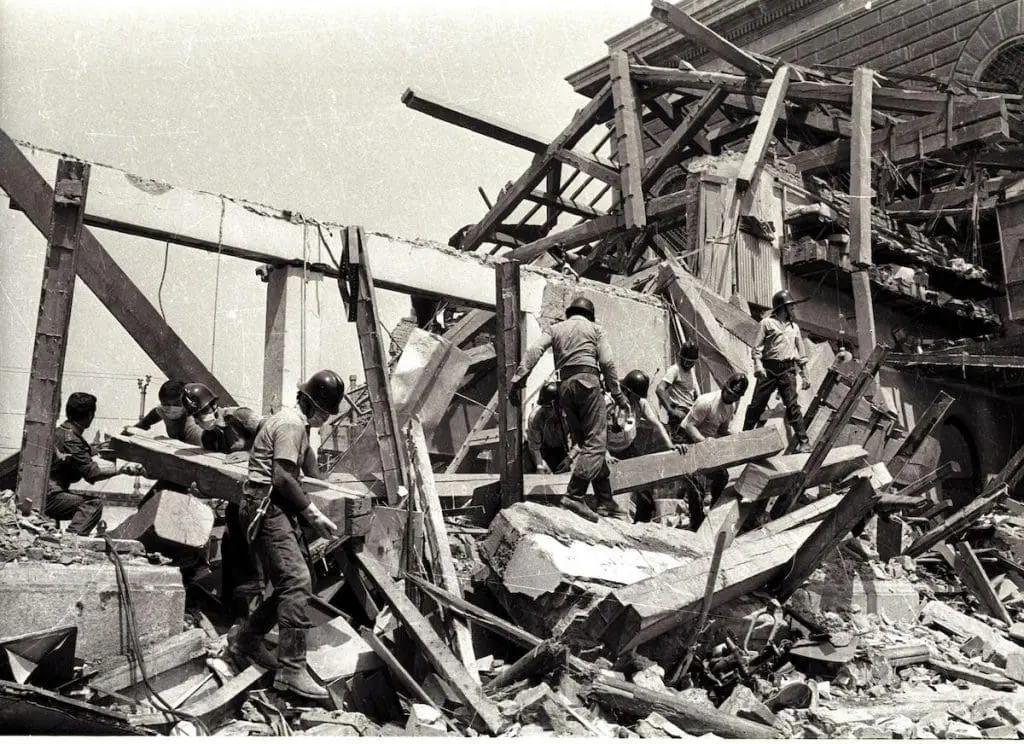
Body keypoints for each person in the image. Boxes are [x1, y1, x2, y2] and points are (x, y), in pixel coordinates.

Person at [232, 370, 343, 701]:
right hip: (268, 505)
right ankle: (292, 670)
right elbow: (282, 477)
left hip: (272, 505)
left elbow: (309, 472)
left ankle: (247, 640)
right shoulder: (291, 425)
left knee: (288, 584)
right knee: (297, 582)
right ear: (309, 404)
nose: (325, 418)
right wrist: (313, 513)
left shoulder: (297, 425)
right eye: (323, 412)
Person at [510, 296, 630, 522]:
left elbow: (535, 349)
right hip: (588, 383)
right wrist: (617, 394)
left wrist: (519, 378)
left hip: (565, 388)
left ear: (569, 313)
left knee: (587, 443)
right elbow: (607, 362)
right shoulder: (596, 329)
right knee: (597, 442)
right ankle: (575, 495)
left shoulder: (556, 328)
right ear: (590, 315)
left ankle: (605, 500)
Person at [180, 382, 264, 624]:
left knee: (255, 536)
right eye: (196, 416)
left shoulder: (240, 417)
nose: (200, 419)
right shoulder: (209, 439)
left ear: (215, 405)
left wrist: (250, 455)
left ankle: (257, 586)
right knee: (229, 543)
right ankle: (233, 611)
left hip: (268, 488)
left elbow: (277, 433)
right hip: (242, 496)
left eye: (203, 412)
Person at [46, 392, 146, 535]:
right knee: (92, 505)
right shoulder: (71, 439)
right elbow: (92, 473)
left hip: (48, 493)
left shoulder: (61, 432)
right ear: (90, 415)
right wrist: (122, 469)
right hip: (51, 496)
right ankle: (72, 538)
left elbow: (83, 453)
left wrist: (98, 449)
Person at [743, 290, 812, 454]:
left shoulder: (795, 328)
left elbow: (801, 355)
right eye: (791, 306)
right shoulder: (766, 323)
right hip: (768, 368)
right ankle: (744, 438)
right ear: (783, 307)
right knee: (756, 405)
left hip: (788, 370)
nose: (794, 310)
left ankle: (804, 442)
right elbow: (757, 348)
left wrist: (805, 375)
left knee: (793, 407)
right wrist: (758, 366)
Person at [679, 373, 749, 530]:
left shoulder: (730, 407)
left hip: (707, 443)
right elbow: (690, 426)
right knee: (696, 482)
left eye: (735, 396)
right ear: (725, 388)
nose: (731, 398)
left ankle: (714, 516)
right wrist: (704, 442)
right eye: (730, 393)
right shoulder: (706, 401)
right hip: (689, 439)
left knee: (722, 477)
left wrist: (737, 438)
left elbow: (722, 429)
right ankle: (696, 525)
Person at [134, 380, 203, 445]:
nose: (171, 408)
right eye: (166, 404)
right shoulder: (162, 410)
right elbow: (146, 422)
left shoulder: (192, 426)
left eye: (176, 404)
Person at [656, 342, 701, 441]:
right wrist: (671, 410)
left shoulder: (690, 372)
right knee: (681, 443)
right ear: (681, 358)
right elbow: (660, 389)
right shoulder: (675, 370)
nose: (689, 364)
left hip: (690, 413)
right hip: (680, 413)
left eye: (692, 362)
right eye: (687, 361)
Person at [525, 382, 569, 475]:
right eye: (543, 406)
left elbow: (579, 440)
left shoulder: (567, 415)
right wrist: (540, 465)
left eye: (549, 408)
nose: (545, 410)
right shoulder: (535, 418)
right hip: (541, 451)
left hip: (561, 450)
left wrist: (570, 458)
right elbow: (534, 446)